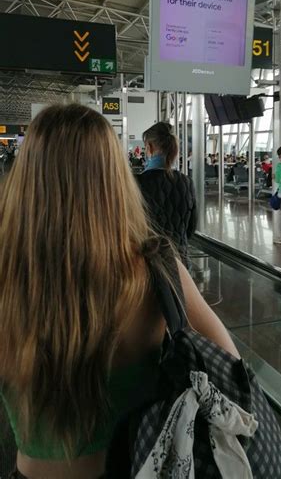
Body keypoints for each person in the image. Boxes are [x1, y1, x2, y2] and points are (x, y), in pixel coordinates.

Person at [0, 104, 239, 479]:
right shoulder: (156, 269)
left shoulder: (7, 279)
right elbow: (230, 363)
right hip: (138, 465)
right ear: (114, 177)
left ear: (26, 176)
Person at [137, 122, 197, 270]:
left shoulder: (137, 183)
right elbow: (191, 226)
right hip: (179, 263)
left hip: (147, 264)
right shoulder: (186, 182)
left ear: (149, 148)